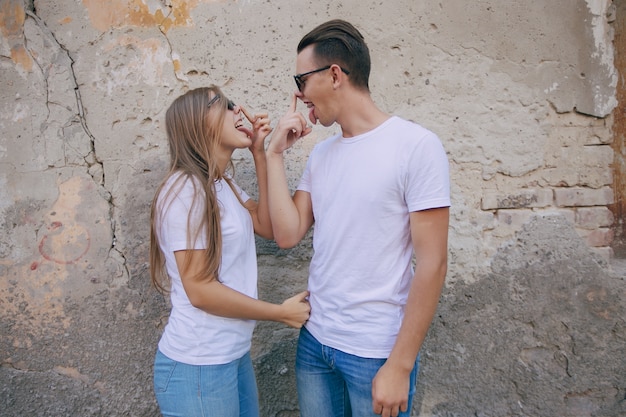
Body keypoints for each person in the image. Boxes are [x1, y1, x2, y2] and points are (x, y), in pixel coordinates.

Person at [265, 20, 450, 417]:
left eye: (302, 79)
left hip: (376, 353)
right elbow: (287, 234)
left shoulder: (416, 147)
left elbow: (433, 264)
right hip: (315, 344)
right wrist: (274, 155)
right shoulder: (322, 155)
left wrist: (400, 365)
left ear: (334, 75)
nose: (298, 93)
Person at [149, 86, 311, 417]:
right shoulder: (185, 190)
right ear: (196, 124)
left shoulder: (221, 184)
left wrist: (260, 152)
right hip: (197, 367)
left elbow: (266, 226)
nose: (239, 110)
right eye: (223, 105)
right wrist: (278, 313)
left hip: (230, 357)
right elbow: (199, 290)